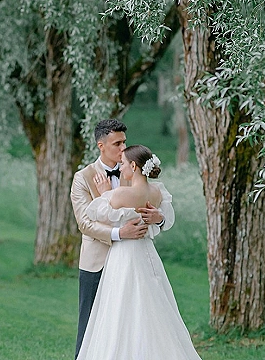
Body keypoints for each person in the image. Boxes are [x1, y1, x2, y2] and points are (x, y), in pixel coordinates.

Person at [76, 144, 202, 360]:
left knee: (120, 306)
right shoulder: (157, 192)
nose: (120, 165)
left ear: (133, 166)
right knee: (151, 303)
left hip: (124, 255)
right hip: (146, 253)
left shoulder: (120, 194)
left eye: (123, 163)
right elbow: (167, 219)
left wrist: (107, 193)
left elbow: (96, 213)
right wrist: (159, 217)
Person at [70, 121, 172, 358]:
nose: (123, 148)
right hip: (97, 261)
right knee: (90, 327)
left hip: (132, 263)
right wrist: (118, 234)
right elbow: (85, 222)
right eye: (117, 143)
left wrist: (159, 218)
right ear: (101, 145)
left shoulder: (133, 171)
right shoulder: (83, 178)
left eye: (125, 142)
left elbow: (153, 207)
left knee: (135, 324)